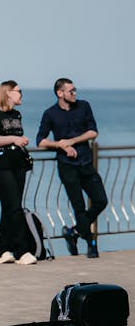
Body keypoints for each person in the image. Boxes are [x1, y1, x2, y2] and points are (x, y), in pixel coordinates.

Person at [36, 78, 107, 258]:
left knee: (101, 200)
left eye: (75, 90)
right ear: (60, 93)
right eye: (71, 91)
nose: (75, 93)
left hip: (85, 162)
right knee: (79, 206)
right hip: (67, 166)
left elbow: (93, 131)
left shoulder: (84, 106)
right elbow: (40, 141)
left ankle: (73, 232)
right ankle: (91, 243)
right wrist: (61, 145)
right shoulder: (50, 113)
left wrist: (73, 141)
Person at [0, 81, 37, 265]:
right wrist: (14, 139)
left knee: (10, 206)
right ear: (8, 93)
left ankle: (3, 251)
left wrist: (20, 141)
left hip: (17, 166)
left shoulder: (16, 114)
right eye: (19, 91)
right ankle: (22, 251)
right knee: (14, 206)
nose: (22, 94)